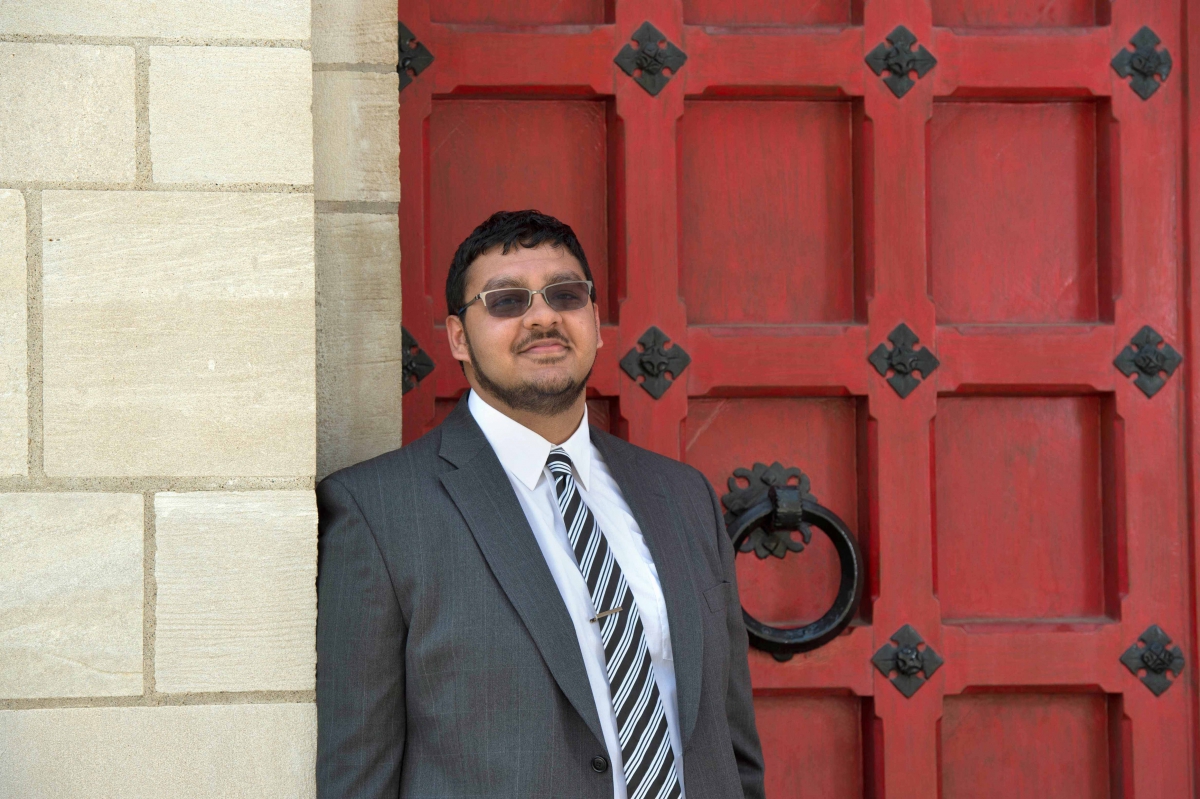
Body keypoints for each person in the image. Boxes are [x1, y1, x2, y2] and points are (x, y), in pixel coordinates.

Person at [315, 210, 765, 799]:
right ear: (458, 337)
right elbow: (359, 774)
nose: (544, 316)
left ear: (596, 321)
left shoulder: (683, 496)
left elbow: (731, 747)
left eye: (566, 294)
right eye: (506, 301)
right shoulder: (378, 513)